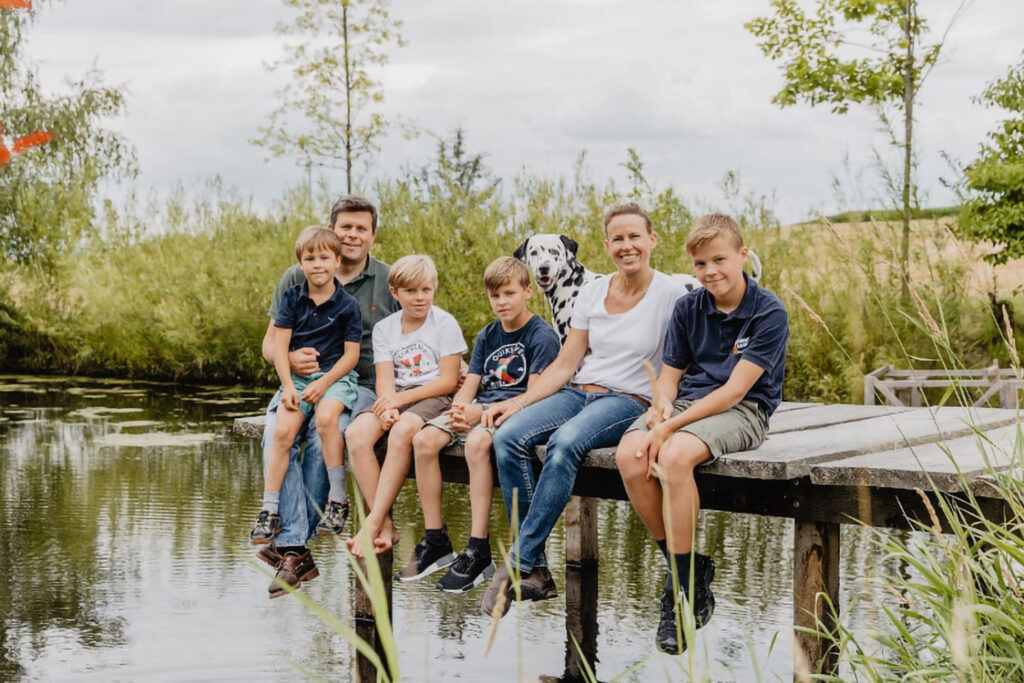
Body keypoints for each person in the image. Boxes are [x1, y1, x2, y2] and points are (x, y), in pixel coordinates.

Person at [480, 202, 692, 618]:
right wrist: (519, 402)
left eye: (635, 236)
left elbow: (700, 345)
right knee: (507, 436)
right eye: (618, 238)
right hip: (579, 391)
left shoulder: (671, 293)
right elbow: (565, 362)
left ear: (652, 240)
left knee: (563, 444)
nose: (627, 246)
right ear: (606, 244)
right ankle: (537, 568)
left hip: (627, 399)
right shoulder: (592, 291)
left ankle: (520, 561)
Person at [615, 212, 788, 654]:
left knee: (672, 457)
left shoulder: (767, 312)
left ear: (742, 255)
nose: (710, 272)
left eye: (719, 260)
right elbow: (670, 374)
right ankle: (689, 571)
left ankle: (679, 595)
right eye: (700, 265)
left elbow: (734, 391)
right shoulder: (688, 307)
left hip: (744, 409)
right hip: (688, 403)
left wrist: (670, 428)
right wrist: (662, 407)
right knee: (631, 455)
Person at [258, 195, 398, 598]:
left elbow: (418, 332)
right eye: (345, 227)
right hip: (300, 382)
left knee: (327, 433)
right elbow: (270, 344)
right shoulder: (297, 275)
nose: (352, 235)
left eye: (361, 228)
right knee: (276, 435)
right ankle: (296, 548)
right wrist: (287, 357)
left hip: (360, 384)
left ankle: (291, 547)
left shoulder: (387, 280)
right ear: (332, 231)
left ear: (372, 235)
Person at [405, 256, 560, 592]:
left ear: (527, 292)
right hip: (481, 408)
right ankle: (436, 540)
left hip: (514, 412)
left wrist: (480, 414)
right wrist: (460, 411)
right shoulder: (488, 335)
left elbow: (534, 398)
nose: (502, 303)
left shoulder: (541, 336)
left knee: (477, 443)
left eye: (509, 294)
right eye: (495, 296)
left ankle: (478, 549)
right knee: (423, 440)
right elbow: (469, 386)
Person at [345, 255, 467, 558]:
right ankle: (384, 523)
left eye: (426, 290)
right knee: (356, 435)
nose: (420, 298)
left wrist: (398, 403)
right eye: (411, 291)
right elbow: (385, 380)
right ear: (395, 292)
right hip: (397, 395)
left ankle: (371, 522)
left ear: (434, 289)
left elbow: (449, 381)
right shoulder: (385, 328)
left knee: (402, 431)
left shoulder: (444, 323)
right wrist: (387, 406)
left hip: (434, 396)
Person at [251, 227, 362, 550]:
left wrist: (325, 381)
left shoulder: (347, 304)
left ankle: (337, 499)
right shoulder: (292, 298)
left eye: (324, 257)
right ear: (300, 263)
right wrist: (287, 386)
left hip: (336, 378)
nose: (317, 265)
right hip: (296, 380)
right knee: (282, 432)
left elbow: (351, 355)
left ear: (337, 261)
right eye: (309, 258)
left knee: (328, 421)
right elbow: (279, 345)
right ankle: (270, 508)